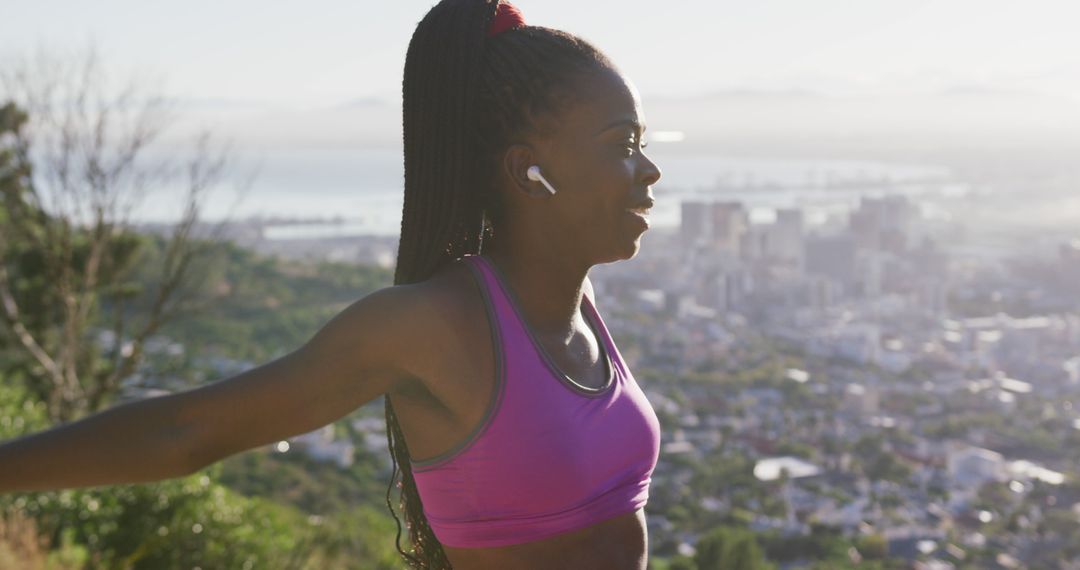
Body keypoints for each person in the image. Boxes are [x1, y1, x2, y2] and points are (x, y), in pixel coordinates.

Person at [0, 0, 663, 567]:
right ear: (528, 172)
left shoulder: (581, 311)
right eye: (623, 143)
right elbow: (185, 432)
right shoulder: (431, 326)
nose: (651, 170)